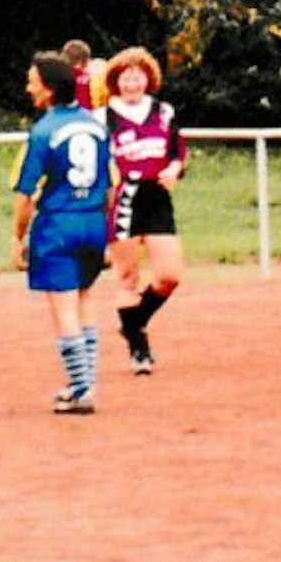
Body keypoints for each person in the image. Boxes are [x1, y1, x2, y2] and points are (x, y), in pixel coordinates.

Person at [11, 51, 112, 414]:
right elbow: (110, 184)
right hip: (92, 222)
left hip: (58, 225)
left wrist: (17, 237)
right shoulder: (96, 126)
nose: (28, 87)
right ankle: (84, 384)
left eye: (33, 81)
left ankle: (82, 389)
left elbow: (26, 193)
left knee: (64, 308)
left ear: (50, 89)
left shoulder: (43, 131)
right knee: (84, 300)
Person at [103, 47, 186, 375]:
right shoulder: (104, 116)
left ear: (148, 78)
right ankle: (139, 348)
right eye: (126, 74)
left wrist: (175, 169)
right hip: (123, 198)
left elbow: (178, 150)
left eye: (138, 74)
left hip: (156, 197)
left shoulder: (163, 112)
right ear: (116, 80)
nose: (132, 80)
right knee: (127, 277)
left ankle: (134, 323)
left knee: (169, 275)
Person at [62, 38, 108, 111]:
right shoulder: (97, 76)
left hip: (66, 118)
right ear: (86, 60)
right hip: (92, 117)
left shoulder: (60, 78)